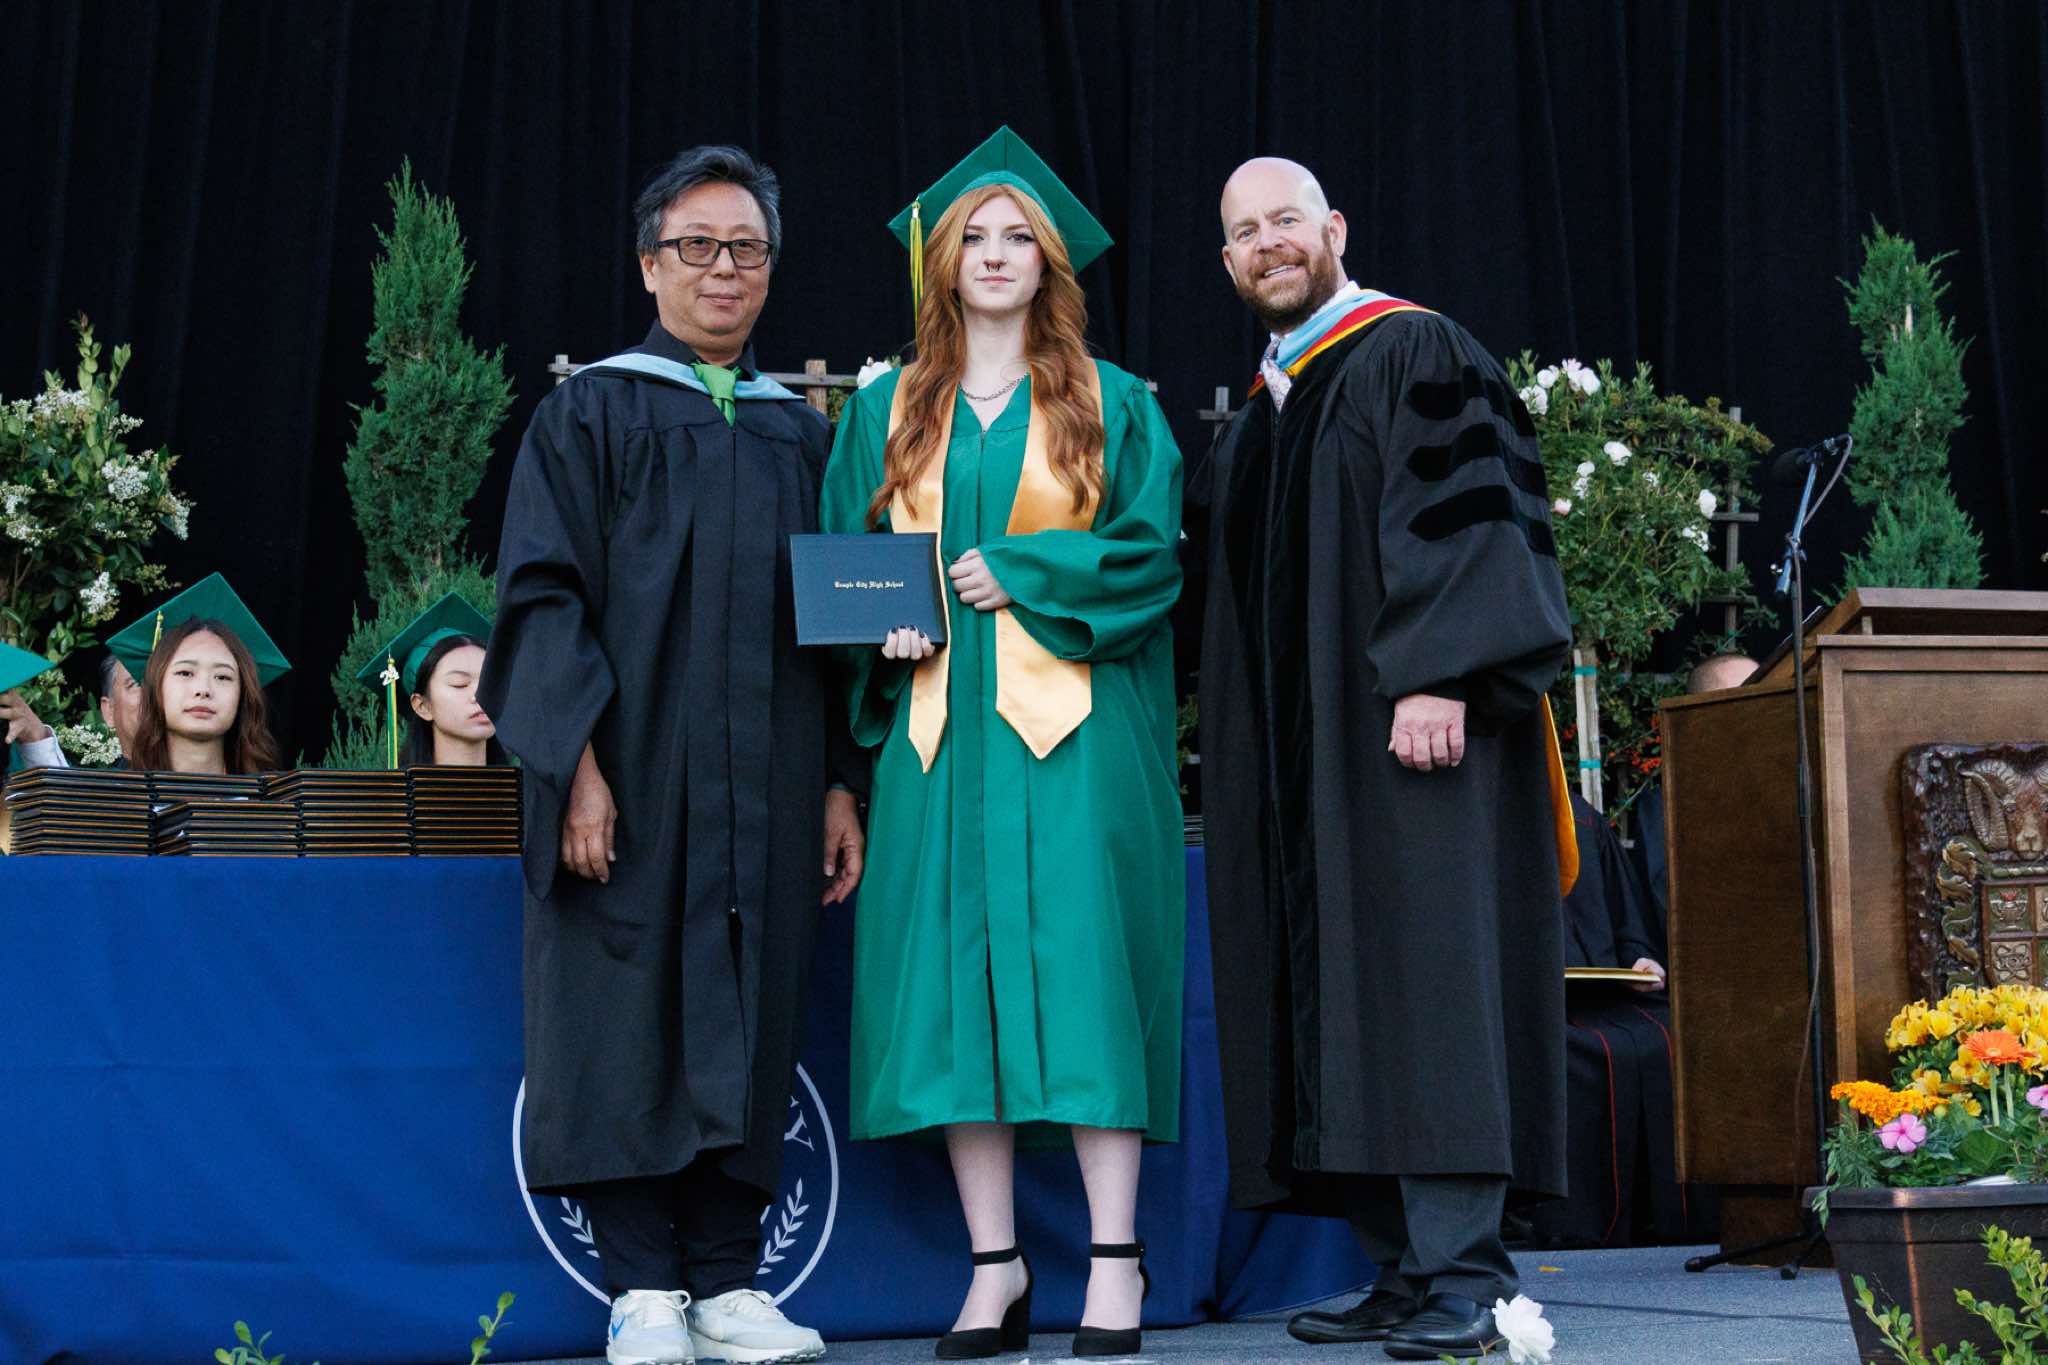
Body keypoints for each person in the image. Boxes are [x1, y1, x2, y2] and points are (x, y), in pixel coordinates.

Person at [479, 144, 865, 1365]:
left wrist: (838, 780)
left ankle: (730, 1284)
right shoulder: (589, 413)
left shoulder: (801, 436)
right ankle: (642, 1289)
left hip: (770, 783)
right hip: (630, 780)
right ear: (650, 265)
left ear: (770, 270)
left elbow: (837, 626)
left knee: (753, 1008)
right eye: (696, 246)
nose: (722, 269)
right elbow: (540, 599)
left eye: (746, 248)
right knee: (620, 1014)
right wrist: (575, 768)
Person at [1192, 157, 1576, 1360]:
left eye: (1285, 220)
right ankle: (1402, 1272)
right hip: (1303, 769)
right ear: (1227, 261)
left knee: (1425, 979)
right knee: (1340, 988)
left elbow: (1467, 520)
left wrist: (1436, 671)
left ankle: (1467, 1276)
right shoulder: (1267, 407)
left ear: (1333, 229)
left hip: (1408, 737)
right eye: (1244, 232)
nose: (1268, 243)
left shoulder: (1412, 349)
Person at [820, 127, 1185, 1361]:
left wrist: (1024, 570)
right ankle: (995, 1266)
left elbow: (1149, 559)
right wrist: (880, 633)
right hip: (932, 746)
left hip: (1072, 743)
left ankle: (1116, 1261)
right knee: (948, 1000)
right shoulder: (883, 411)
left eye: (1013, 236)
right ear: (937, 263)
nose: (989, 254)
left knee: (1087, 981)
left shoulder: (1111, 402)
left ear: (1048, 261)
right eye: (968, 237)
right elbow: (846, 563)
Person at [105, 574, 290, 776]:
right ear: (154, 687)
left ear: (243, 695)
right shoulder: (116, 795)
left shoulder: (268, 795)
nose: (203, 690)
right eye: (185, 673)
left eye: (222, 677)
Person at [353, 592, 506, 767]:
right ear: (422, 706)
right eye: (459, 684)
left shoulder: (525, 784)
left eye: (489, 683)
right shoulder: (400, 786)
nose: (481, 695)